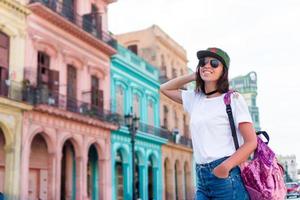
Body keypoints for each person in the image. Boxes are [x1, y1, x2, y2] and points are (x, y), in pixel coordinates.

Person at [160, 47, 257, 200]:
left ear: (223, 71)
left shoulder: (233, 99)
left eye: (214, 63)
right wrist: (194, 75)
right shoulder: (195, 98)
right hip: (201, 176)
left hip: (226, 177)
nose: (207, 66)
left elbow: (251, 142)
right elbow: (164, 88)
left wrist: (225, 167)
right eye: (203, 63)